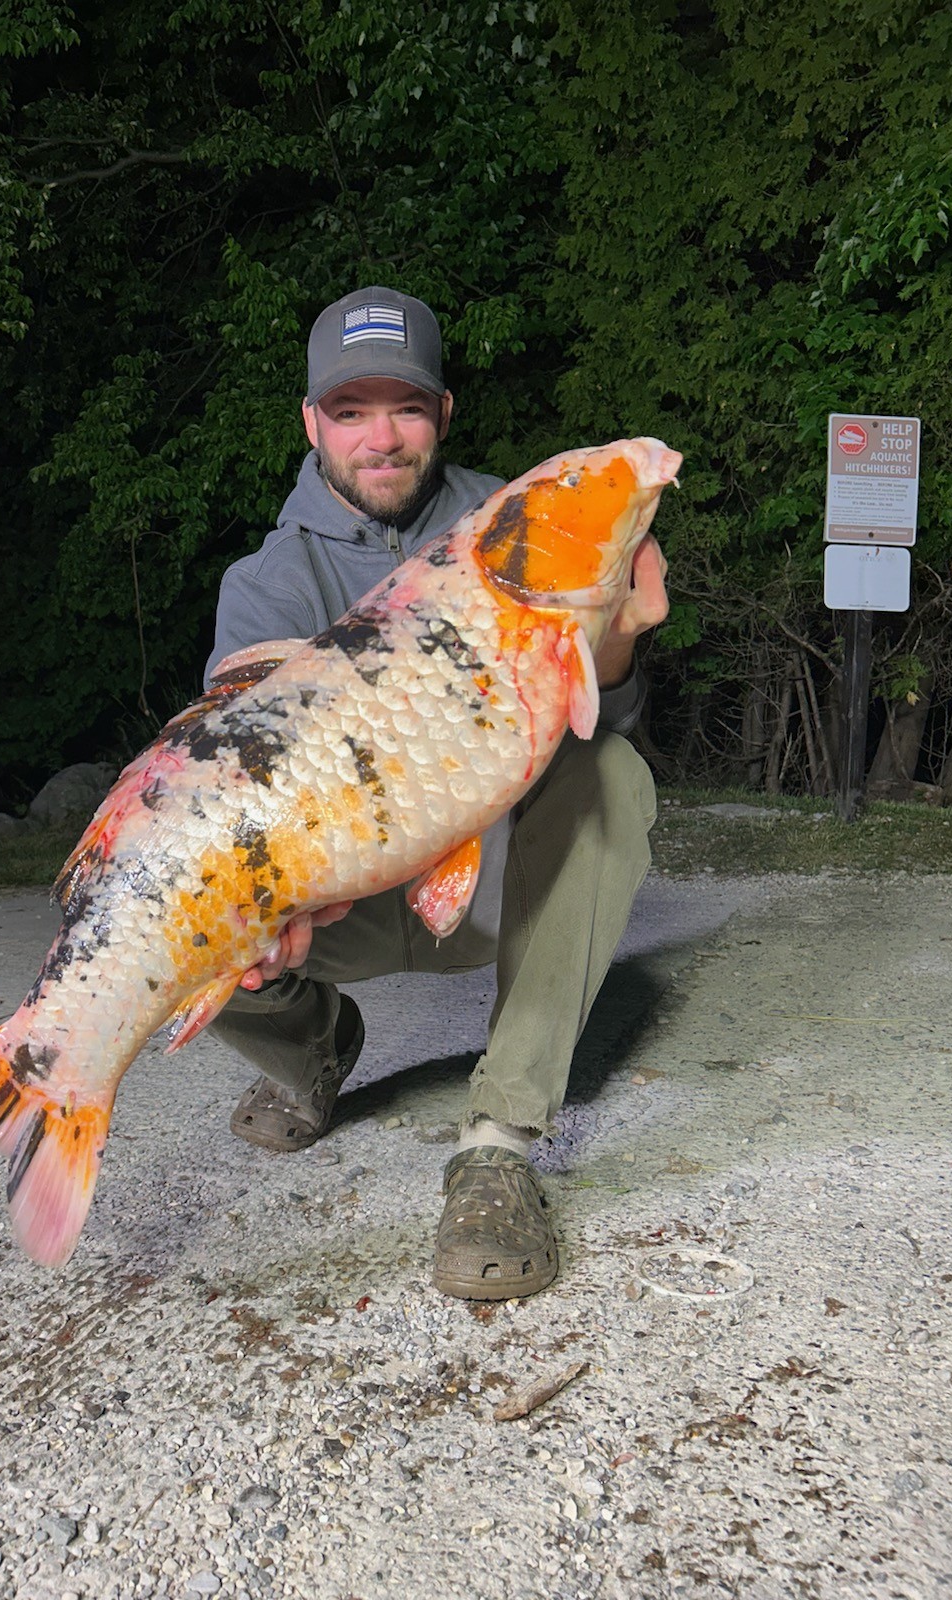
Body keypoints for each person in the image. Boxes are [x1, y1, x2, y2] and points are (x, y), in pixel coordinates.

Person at [204, 286, 669, 1301]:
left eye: (405, 407)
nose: (382, 437)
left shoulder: (522, 526)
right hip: (348, 896)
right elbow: (238, 786)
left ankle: (500, 1143)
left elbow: (612, 723)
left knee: (613, 779)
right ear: (312, 422)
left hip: (494, 880)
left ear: (444, 413)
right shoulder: (265, 584)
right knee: (185, 903)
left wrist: (623, 633)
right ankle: (315, 1055)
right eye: (352, 409)